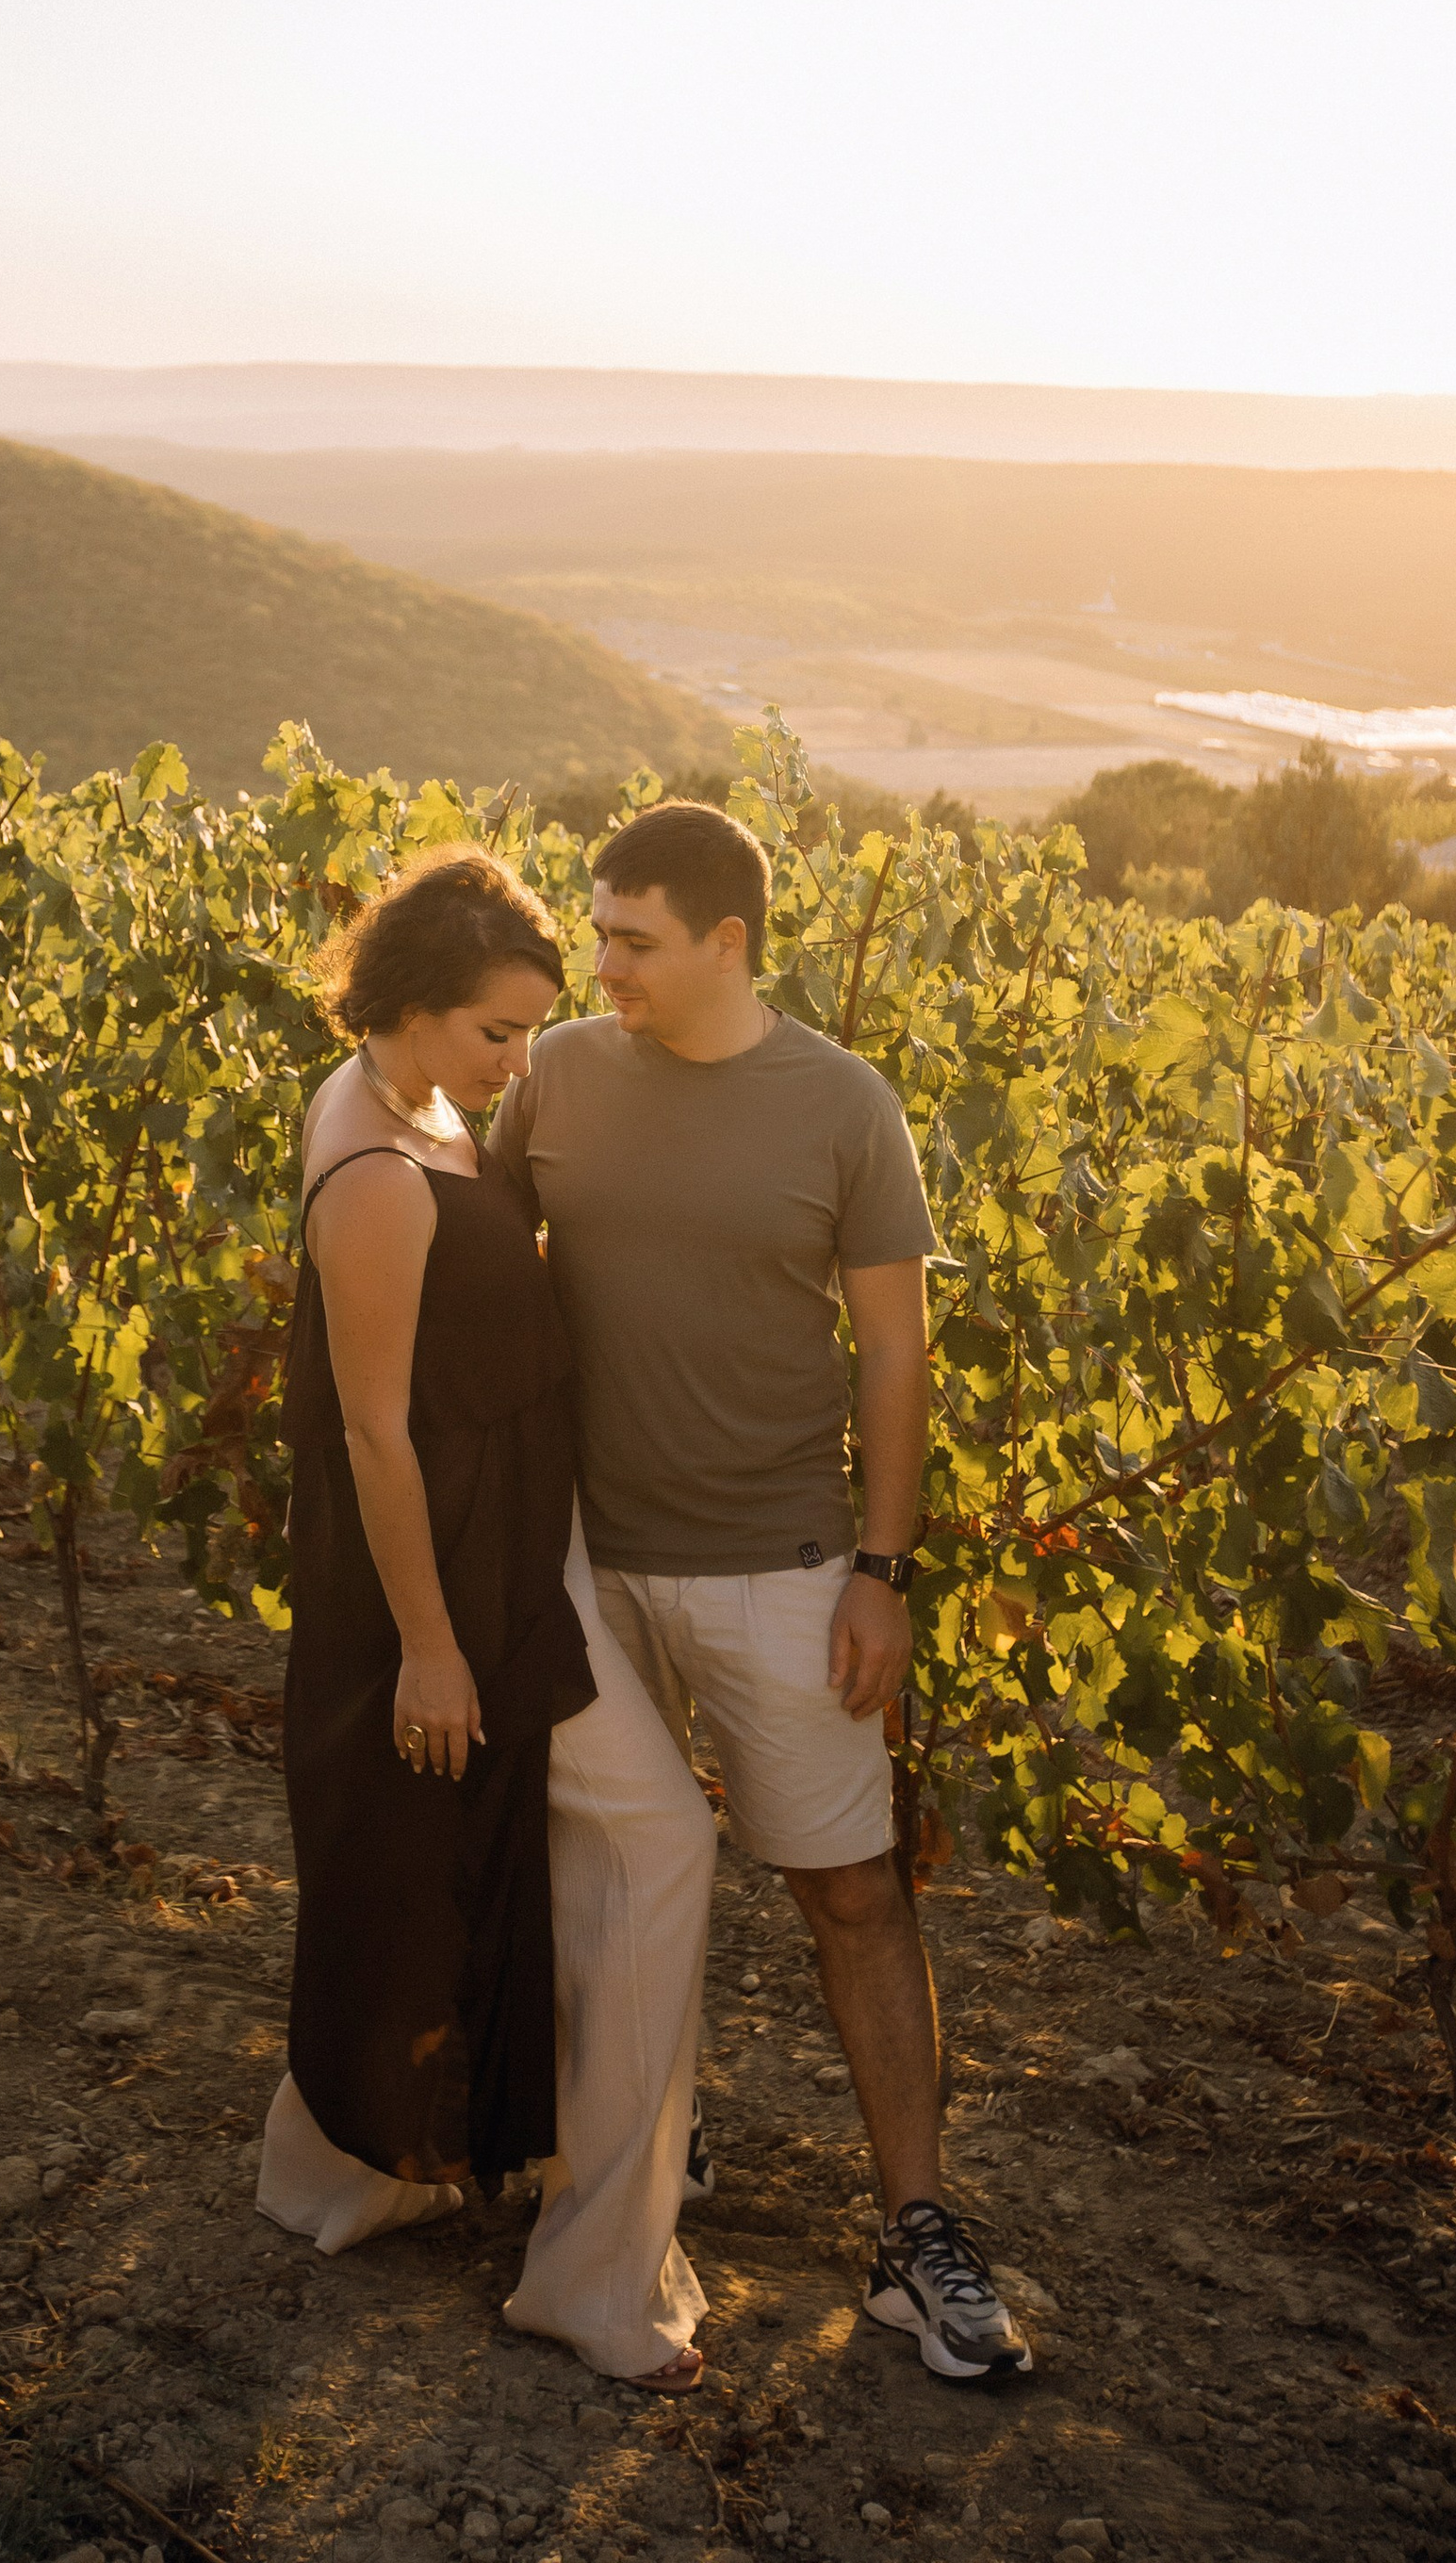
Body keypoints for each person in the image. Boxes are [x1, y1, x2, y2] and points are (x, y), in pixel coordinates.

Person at [487, 799, 1032, 2385]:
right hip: (590, 1565)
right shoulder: (559, 1074)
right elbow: (472, 1261)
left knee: (850, 1892)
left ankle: (915, 2235)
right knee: (610, 1875)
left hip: (784, 1568)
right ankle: (644, 2153)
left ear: (728, 942)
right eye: (598, 933)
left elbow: (896, 1355)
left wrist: (882, 1570)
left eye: (632, 940)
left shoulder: (844, 1106)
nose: (602, 967)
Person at [255, 844, 717, 2388]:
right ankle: (600, 2277)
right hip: (472, 1583)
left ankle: (350, 2174)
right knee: (661, 1842)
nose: (522, 1063)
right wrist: (436, 1652)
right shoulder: (378, 1178)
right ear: (408, 1004)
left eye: (528, 1029)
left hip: (519, 1544)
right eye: (498, 1033)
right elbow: (372, 1434)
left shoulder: (410, 1101)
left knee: (447, 1866)